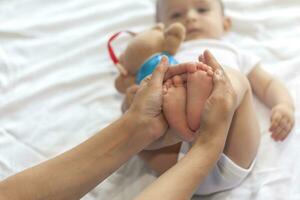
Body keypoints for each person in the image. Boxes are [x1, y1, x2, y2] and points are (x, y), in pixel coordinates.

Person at [0, 55, 237, 200]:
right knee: (235, 81)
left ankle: (154, 126)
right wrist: (207, 146)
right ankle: (190, 120)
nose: (191, 18)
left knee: (236, 80)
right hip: (206, 149)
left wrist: (137, 126)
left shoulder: (237, 52)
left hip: (181, 154)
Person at [120, 0, 295, 196]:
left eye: (202, 10)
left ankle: (203, 101)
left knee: (232, 80)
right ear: (164, 30)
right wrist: (131, 102)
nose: (190, 17)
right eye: (176, 16)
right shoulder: (163, 57)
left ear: (225, 23)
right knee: (138, 117)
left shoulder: (234, 52)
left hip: (229, 146)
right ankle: (188, 111)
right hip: (177, 159)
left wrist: (284, 105)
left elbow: (269, 83)